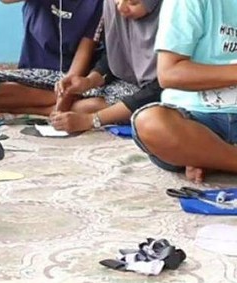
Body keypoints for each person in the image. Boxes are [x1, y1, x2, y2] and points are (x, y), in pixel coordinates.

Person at [132, 0, 237, 183]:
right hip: (196, 118)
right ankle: (219, 156)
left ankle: (211, 156)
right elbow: (170, 73)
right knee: (151, 123)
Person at [0, 0, 103, 116]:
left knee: (120, 99)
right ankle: (74, 105)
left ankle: (30, 109)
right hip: (33, 77)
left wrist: (68, 93)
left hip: (78, 81)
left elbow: (86, 49)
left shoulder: (99, 3)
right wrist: (61, 99)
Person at [50, 0, 163, 133]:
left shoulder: (173, 16)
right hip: (128, 84)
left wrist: (91, 120)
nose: (122, 8)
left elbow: (160, 87)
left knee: (150, 117)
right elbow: (114, 53)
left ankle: (46, 110)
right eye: (117, 1)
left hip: (164, 92)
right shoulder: (113, 7)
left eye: (133, 2)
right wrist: (89, 81)